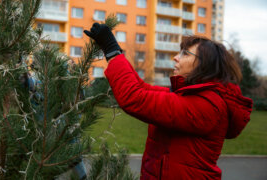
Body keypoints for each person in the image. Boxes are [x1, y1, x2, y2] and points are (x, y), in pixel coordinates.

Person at [84, 23, 253, 180]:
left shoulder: (207, 105)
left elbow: (134, 98)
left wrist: (111, 49)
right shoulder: (188, 97)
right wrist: (115, 52)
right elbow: (141, 88)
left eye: (185, 54)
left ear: (204, 65)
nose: (175, 58)